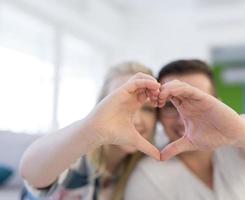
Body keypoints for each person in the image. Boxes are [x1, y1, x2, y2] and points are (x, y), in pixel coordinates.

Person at [124, 59, 245, 200]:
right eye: (170, 105)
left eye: (196, 102)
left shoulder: (241, 143)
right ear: (158, 113)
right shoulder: (147, 177)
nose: (184, 119)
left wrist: (240, 132)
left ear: (218, 105)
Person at [19, 62, 161, 200]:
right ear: (100, 105)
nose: (136, 120)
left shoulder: (146, 170)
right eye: (124, 104)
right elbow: (32, 174)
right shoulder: (74, 157)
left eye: (148, 109)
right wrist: (91, 129)